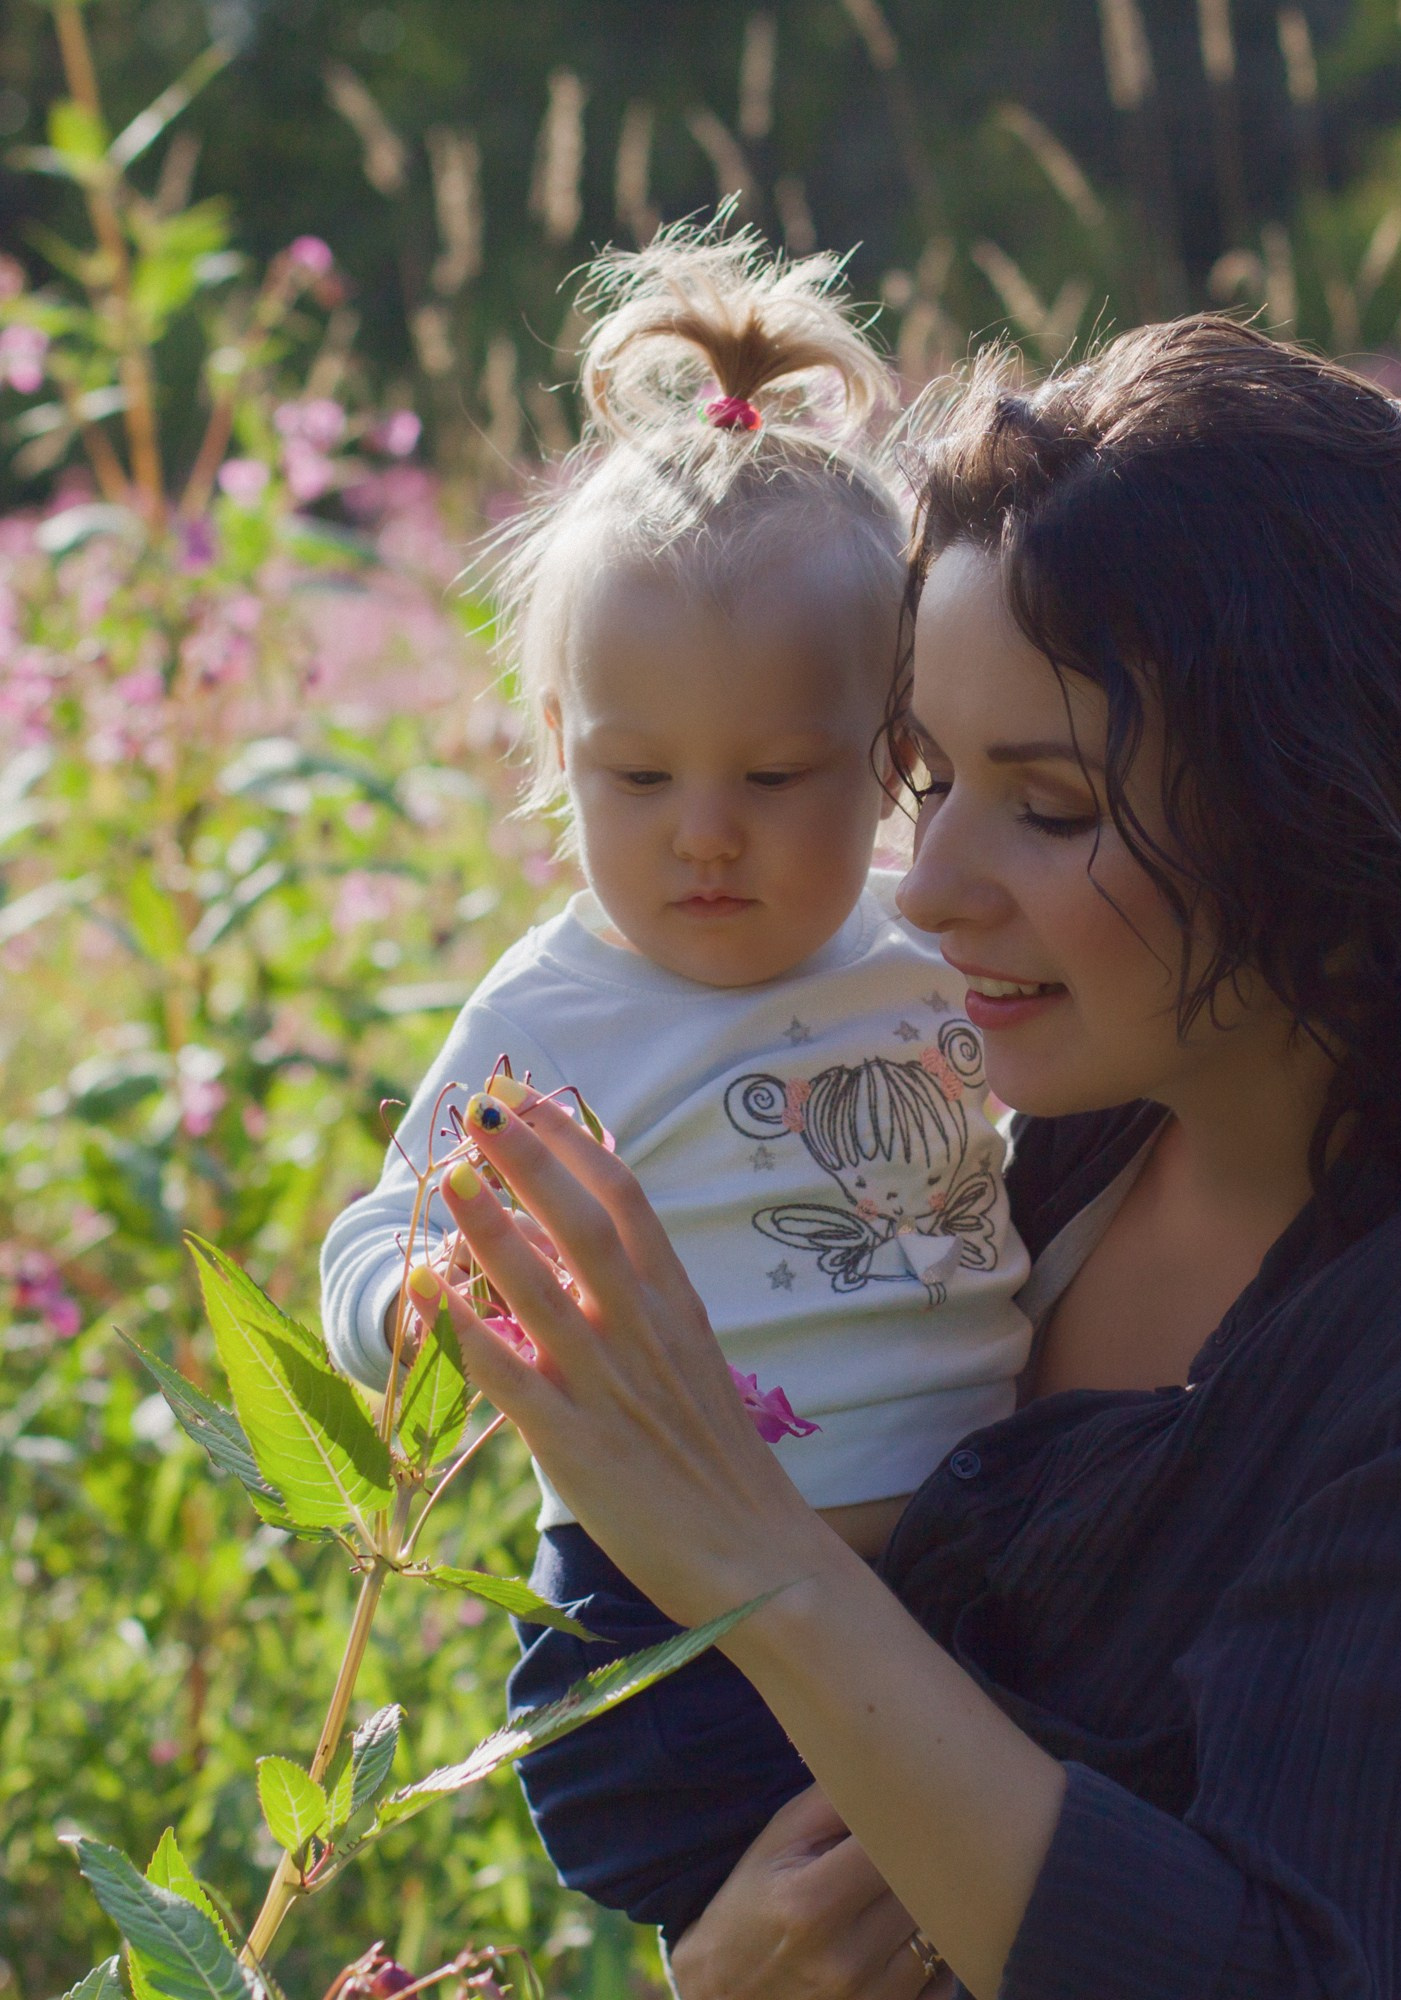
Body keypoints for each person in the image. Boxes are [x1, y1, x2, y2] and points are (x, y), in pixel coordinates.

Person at [428, 317, 1401, 2000]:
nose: (928, 887)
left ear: (1326, 801)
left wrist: (753, 1554)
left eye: (1051, 808)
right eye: (927, 777)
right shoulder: (1088, 1117)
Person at [318, 228, 1032, 1928]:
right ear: (558, 753)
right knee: (790, 1901)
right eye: (639, 778)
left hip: (979, 1577)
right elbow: (379, 1222)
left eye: (776, 777)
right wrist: (413, 1301)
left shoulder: (934, 949)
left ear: (894, 757)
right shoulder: (558, 1015)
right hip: (671, 1621)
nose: (706, 834)